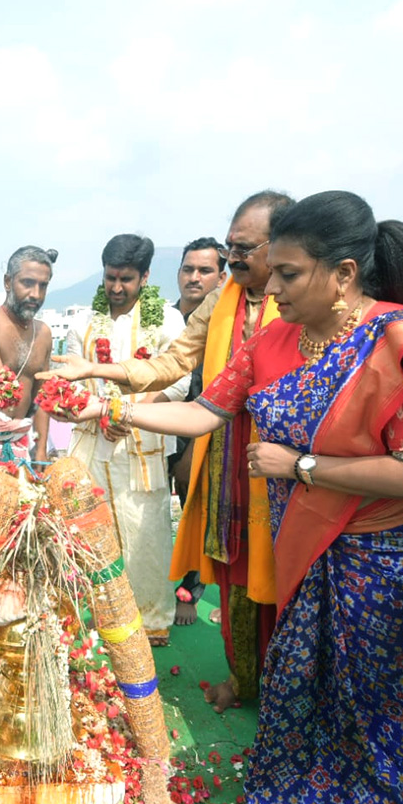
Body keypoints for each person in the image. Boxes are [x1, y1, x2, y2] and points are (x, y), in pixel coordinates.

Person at [56, 190, 403, 804]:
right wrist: (105, 405)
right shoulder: (273, 341)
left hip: (391, 569)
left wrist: (303, 466)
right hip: (310, 550)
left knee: (378, 707)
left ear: (343, 274)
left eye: (289, 275)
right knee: (300, 689)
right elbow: (204, 411)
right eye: (270, 272)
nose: (270, 288)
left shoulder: (401, 342)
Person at [45, 192, 294, 707]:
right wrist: (94, 385)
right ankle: (248, 681)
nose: (232, 260)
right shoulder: (223, 301)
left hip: (289, 460)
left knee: (281, 570)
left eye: (243, 248)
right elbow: (179, 372)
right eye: (230, 248)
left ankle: (277, 689)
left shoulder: (297, 306)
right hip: (226, 448)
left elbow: (178, 385)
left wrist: (305, 462)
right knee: (236, 568)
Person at [61, 235, 189, 643]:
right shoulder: (83, 321)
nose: (116, 288)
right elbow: (71, 378)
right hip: (92, 439)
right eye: (110, 278)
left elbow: (180, 379)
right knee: (87, 530)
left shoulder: (168, 321)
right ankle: (90, 616)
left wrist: (130, 414)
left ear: (146, 276)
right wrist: (100, 414)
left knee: (145, 532)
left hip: (142, 443)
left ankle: (150, 620)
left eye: (126, 279)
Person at [168, 236, 227, 623]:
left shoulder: (224, 324)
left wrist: (196, 443)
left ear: (221, 277)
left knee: (199, 509)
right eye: (188, 269)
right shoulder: (163, 317)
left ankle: (190, 591)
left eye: (205, 270)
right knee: (157, 511)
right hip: (157, 426)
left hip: (205, 431)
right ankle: (155, 583)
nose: (194, 277)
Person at [0, 245, 56, 474]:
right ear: (8, 282)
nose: (35, 294)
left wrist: (41, 448)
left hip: (20, 444)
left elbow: (43, 398)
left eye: (42, 285)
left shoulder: (43, 333)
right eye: (27, 283)